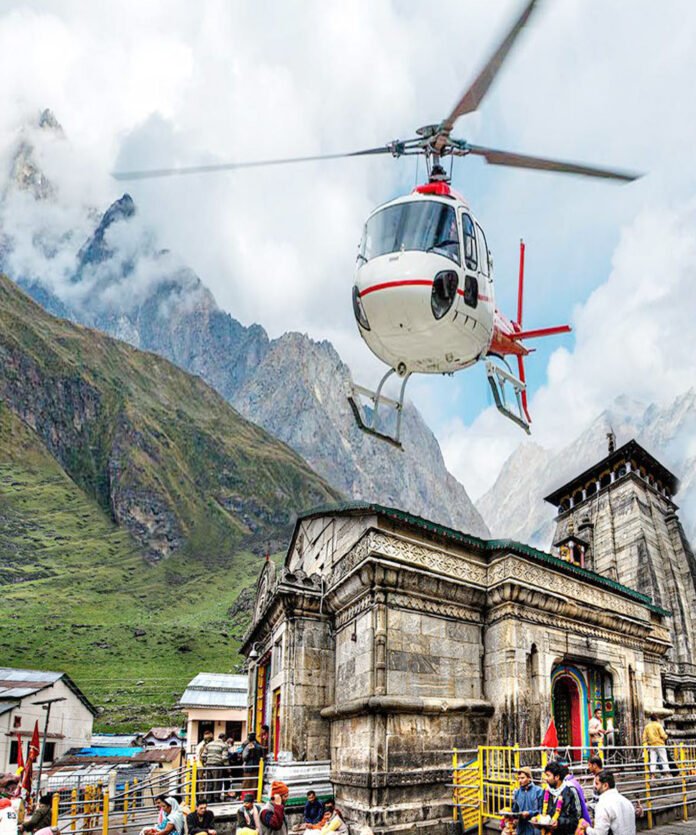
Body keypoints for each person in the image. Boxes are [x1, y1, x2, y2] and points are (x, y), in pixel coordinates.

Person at [577, 771, 635, 835]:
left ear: (605, 785)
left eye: (597, 783)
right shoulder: (627, 801)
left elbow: (599, 834)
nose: (595, 787)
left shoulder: (603, 805)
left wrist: (587, 828)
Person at [540, 762, 579, 835]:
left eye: (548, 776)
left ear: (557, 777)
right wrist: (537, 818)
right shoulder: (545, 792)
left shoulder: (569, 793)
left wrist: (559, 822)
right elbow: (540, 810)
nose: (546, 779)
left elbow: (575, 820)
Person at [511, 767, 543, 835]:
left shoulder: (538, 791)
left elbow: (542, 810)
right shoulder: (517, 792)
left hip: (534, 829)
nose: (520, 780)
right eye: (518, 778)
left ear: (529, 778)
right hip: (521, 828)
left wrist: (530, 813)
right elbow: (515, 811)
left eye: (522, 778)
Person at [200, 732, 227, 801]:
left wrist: (206, 763)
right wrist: (227, 767)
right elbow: (224, 758)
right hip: (217, 765)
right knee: (217, 782)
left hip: (208, 765)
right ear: (224, 738)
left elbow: (203, 756)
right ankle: (216, 798)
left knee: (209, 782)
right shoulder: (224, 745)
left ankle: (209, 798)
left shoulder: (209, 744)